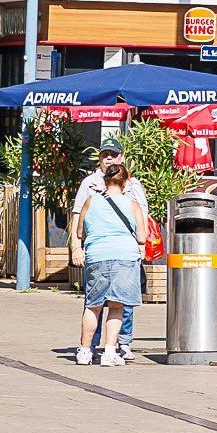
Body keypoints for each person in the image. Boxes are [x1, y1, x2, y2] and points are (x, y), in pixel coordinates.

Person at [74, 150, 149, 365]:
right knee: (117, 306)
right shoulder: (132, 204)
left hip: (97, 255)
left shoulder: (90, 201)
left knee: (93, 305)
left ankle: (85, 351)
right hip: (124, 256)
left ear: (105, 181)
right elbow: (142, 237)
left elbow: (80, 232)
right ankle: (109, 351)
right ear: (125, 183)